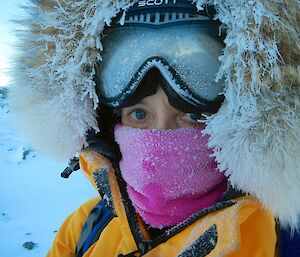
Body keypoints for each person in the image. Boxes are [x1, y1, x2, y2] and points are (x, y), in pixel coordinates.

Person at [10, 0, 299, 256]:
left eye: (194, 116)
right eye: (139, 114)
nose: (161, 137)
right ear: (108, 122)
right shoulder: (84, 230)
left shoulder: (283, 240)